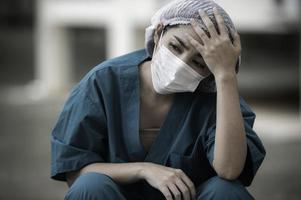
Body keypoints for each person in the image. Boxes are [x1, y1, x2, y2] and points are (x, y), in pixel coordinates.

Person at [50, 0, 266, 199]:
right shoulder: (104, 82)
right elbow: (75, 173)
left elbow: (229, 170)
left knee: (226, 191)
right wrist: (144, 169)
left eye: (199, 63)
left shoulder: (217, 96)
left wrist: (225, 75)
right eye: (176, 47)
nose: (181, 64)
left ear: (210, 72)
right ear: (159, 32)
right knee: (90, 186)